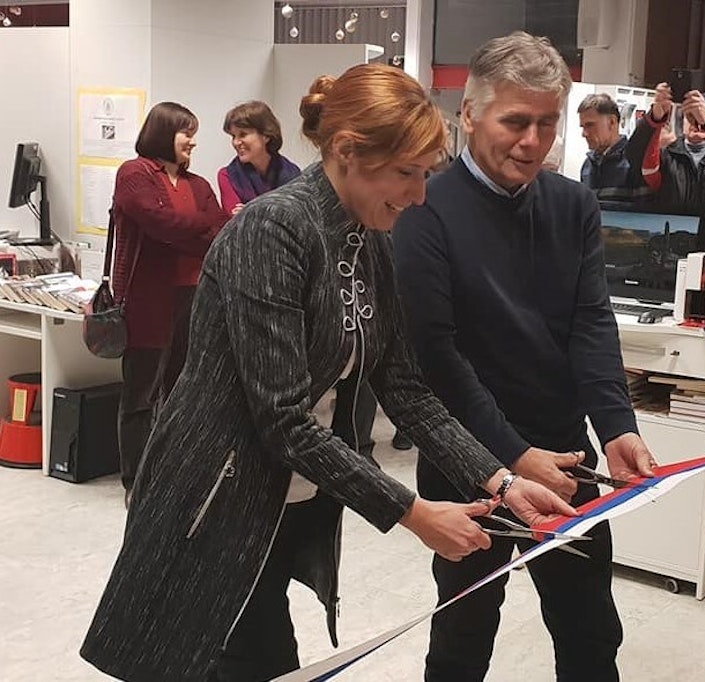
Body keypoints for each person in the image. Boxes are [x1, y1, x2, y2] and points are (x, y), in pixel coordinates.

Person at [80, 64, 575, 682]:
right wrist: (413, 512)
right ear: (346, 151)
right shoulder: (272, 230)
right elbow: (284, 420)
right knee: (234, 659)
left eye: (426, 175)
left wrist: (499, 480)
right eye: (406, 173)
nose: (419, 195)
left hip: (286, 498)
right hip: (213, 501)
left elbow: (406, 388)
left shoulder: (370, 239)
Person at [392, 32, 658, 682]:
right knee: (462, 635)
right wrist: (512, 457)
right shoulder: (425, 210)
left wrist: (617, 426)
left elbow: (591, 324)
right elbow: (438, 360)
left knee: (591, 632)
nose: (533, 141)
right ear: (471, 114)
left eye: (547, 123)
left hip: (566, 461)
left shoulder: (573, 205)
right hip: (469, 470)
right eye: (516, 122)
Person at [110, 101, 228, 498]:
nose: (193, 141)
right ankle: (136, 481)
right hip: (147, 299)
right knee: (141, 393)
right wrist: (201, 225)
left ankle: (170, 471)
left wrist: (192, 229)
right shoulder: (135, 173)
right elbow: (156, 220)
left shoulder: (198, 185)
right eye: (185, 132)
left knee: (181, 391)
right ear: (163, 132)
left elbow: (219, 231)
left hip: (193, 294)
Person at [628, 84, 705, 253]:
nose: (696, 123)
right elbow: (636, 157)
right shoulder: (669, 155)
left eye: (700, 117)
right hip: (672, 257)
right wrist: (655, 118)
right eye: (691, 116)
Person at [217, 100, 302, 215]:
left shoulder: (293, 174)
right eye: (233, 136)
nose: (236, 142)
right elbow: (235, 222)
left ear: (266, 135)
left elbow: (296, 217)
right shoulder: (226, 175)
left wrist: (250, 211)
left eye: (243, 134)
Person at [577, 93, 652, 208]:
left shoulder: (634, 161)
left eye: (590, 125)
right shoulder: (587, 166)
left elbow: (645, 216)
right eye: (583, 127)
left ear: (612, 122)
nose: (584, 133)